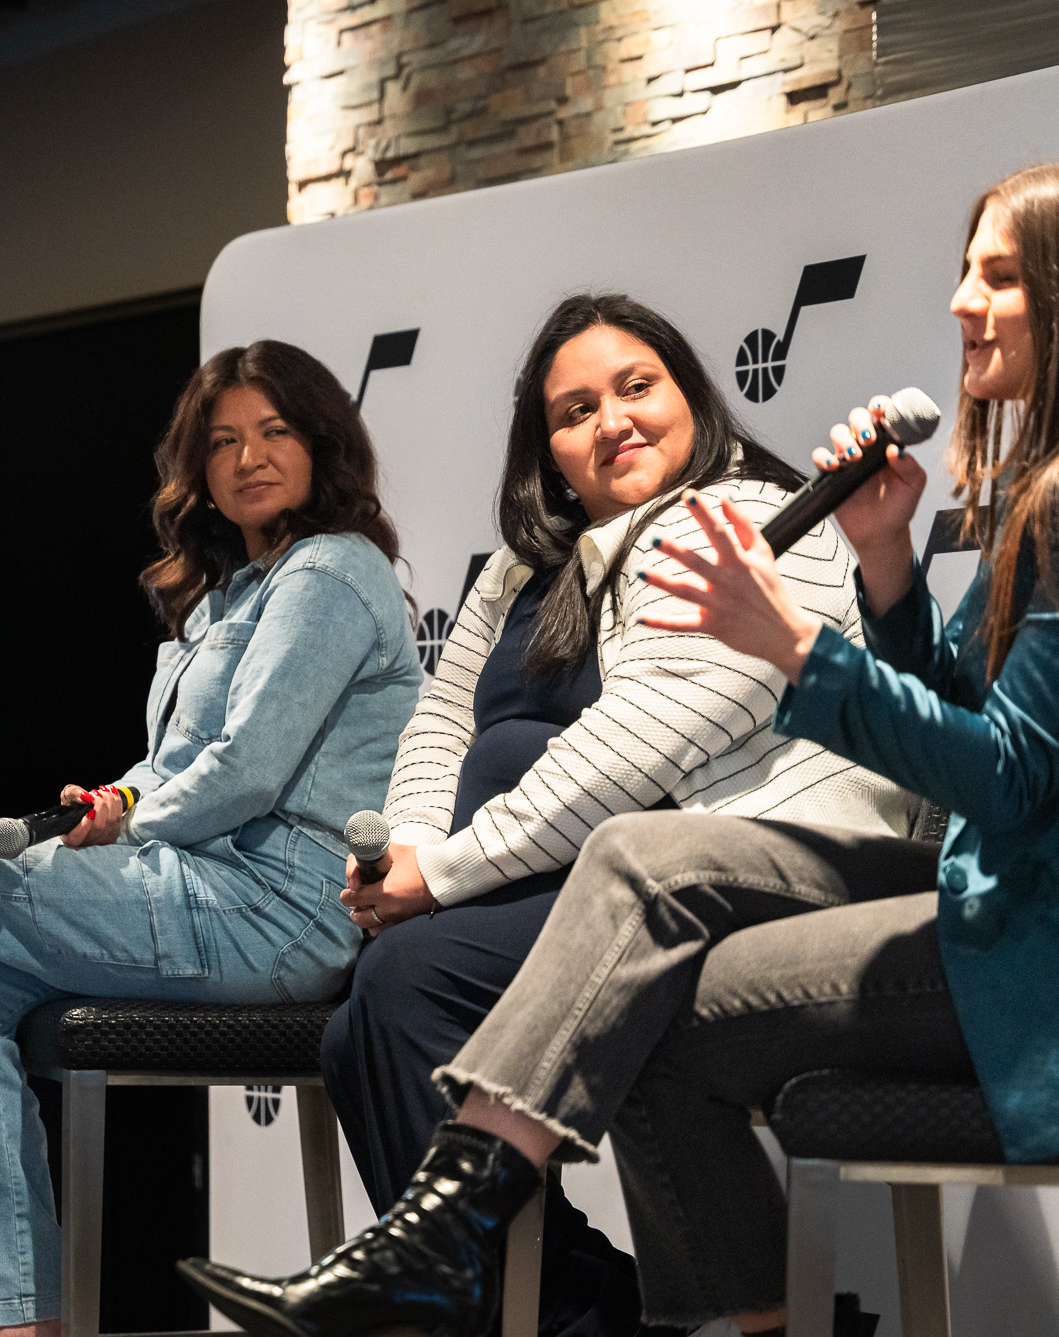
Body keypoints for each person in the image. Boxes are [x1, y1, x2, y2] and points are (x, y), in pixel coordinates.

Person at [178, 159, 1059, 1337]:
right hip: (1025, 908)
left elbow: (1004, 778)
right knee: (634, 982)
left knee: (634, 885)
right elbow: (982, 731)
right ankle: (576, 1278)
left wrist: (792, 643)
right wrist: (886, 565)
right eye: (962, 273)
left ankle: (445, 1240)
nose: (958, 305)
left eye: (995, 276)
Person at [0, 340, 424, 1336]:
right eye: (222, 440)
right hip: (190, 887)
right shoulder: (228, 593)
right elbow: (177, 767)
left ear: (323, 444)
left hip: (278, 910)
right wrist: (112, 805)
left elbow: (246, 773)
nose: (246, 457)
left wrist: (136, 818)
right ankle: (12, 1324)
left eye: (273, 432)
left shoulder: (330, 570)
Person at [320, 293, 913, 1337]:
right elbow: (438, 725)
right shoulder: (520, 573)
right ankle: (578, 1306)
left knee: (405, 986)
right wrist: (408, 847)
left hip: (723, 869)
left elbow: (644, 741)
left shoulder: (749, 517)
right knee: (353, 1030)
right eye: (574, 409)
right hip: (573, 871)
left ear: (690, 397)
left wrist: (444, 874)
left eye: (636, 388)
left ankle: (538, 1307)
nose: (611, 421)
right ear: (546, 452)